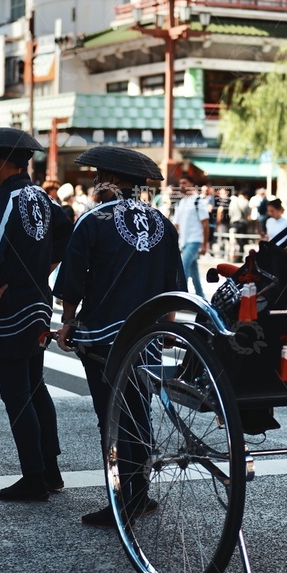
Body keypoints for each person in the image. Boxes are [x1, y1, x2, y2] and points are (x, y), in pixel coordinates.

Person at [54, 145, 186, 528]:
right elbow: (173, 285)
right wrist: (166, 327)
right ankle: (139, 494)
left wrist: (66, 322)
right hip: (147, 332)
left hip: (103, 334)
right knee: (138, 409)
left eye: (96, 175)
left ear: (106, 179)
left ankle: (123, 498)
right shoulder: (163, 223)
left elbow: (73, 280)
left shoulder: (93, 219)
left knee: (111, 416)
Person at [0, 127, 73, 503]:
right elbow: (66, 230)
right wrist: (47, 264)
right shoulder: (41, 196)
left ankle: (33, 478)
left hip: (11, 309)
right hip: (39, 303)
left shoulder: (3, 200)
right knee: (36, 386)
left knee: (17, 394)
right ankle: (50, 469)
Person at [173, 176, 209, 298]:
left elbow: (205, 224)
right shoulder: (181, 202)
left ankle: (182, 297)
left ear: (192, 184)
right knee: (193, 272)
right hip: (184, 241)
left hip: (195, 240)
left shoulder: (198, 201)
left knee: (183, 268)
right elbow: (176, 225)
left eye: (184, 182)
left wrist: (205, 244)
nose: (182, 185)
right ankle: (201, 296)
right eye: (180, 183)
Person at [228, 188, 250, 260]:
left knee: (233, 240)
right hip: (243, 223)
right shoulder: (246, 202)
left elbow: (230, 213)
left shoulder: (233, 202)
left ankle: (232, 255)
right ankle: (240, 256)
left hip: (234, 223)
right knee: (241, 241)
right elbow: (248, 214)